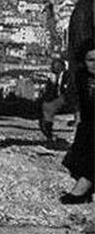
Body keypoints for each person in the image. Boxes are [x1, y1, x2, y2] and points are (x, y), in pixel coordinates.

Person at [59, 46, 94, 204]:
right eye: (90, 60)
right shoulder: (81, 77)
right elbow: (78, 102)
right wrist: (78, 118)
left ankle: (83, 186)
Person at [38, 58, 67, 141]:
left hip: (65, 99)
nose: (54, 68)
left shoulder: (67, 76)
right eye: (54, 66)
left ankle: (49, 132)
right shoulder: (52, 78)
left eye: (56, 66)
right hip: (54, 99)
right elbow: (49, 90)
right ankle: (48, 133)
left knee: (47, 108)